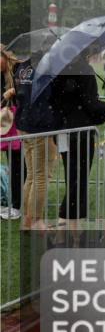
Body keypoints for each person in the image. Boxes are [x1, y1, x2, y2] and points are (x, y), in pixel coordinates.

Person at [50, 50, 105, 232]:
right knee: (78, 180)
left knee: (72, 178)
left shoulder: (58, 70)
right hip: (80, 133)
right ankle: (67, 225)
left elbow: (57, 102)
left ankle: (70, 224)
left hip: (62, 131)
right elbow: (92, 105)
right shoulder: (84, 71)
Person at [10, 49, 61, 231]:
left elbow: (19, 93)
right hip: (39, 125)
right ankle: (35, 221)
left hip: (24, 122)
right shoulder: (46, 68)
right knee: (41, 176)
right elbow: (51, 97)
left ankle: (27, 220)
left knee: (31, 175)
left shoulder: (23, 66)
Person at [1, 45, 23, 220]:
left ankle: (18, 205)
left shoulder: (19, 70)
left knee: (20, 166)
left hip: (22, 124)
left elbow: (30, 92)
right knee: (14, 166)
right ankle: (15, 203)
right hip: (7, 126)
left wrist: (15, 91)